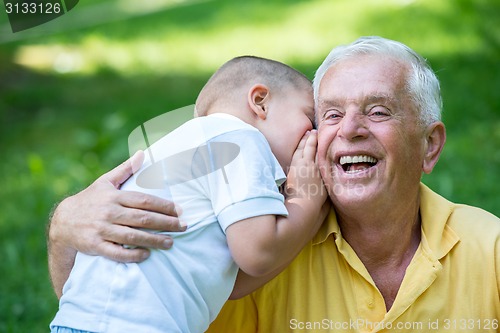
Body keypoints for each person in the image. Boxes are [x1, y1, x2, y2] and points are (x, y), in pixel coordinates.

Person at [48, 37, 500, 332]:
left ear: (429, 145)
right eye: (328, 116)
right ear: (259, 102)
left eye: (378, 111)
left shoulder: (490, 248)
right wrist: (64, 229)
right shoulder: (265, 225)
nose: (348, 130)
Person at [49, 56, 328, 333]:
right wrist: (305, 197)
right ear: (260, 101)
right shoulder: (240, 139)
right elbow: (258, 253)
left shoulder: (192, 147)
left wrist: (310, 221)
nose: (314, 133)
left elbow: (234, 283)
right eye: (309, 118)